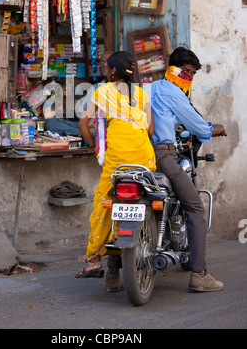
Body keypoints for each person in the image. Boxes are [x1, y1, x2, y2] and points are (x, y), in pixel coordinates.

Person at [76, 51, 156, 282]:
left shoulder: (102, 92)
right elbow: (150, 131)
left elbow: (83, 125)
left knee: (103, 205)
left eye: (107, 67)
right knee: (153, 198)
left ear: (112, 71)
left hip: (117, 161)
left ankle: (93, 259)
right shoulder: (141, 94)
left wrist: (93, 145)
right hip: (143, 159)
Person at [149, 46, 224, 292]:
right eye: (187, 71)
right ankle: (199, 274)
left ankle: (114, 272)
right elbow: (199, 127)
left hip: (138, 155)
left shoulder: (146, 88)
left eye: (192, 73)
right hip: (164, 155)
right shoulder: (174, 93)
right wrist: (214, 128)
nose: (189, 77)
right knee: (195, 208)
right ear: (175, 69)